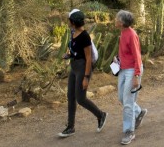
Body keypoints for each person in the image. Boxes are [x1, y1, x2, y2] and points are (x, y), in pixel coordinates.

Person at [58, 9, 108, 138]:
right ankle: (70, 127)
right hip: (74, 66)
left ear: (73, 22)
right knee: (71, 96)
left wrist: (86, 77)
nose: (68, 21)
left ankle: (101, 114)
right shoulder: (73, 32)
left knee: (80, 98)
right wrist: (69, 55)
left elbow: (88, 58)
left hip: (82, 67)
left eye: (69, 20)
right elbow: (75, 49)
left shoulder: (85, 36)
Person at [114, 10, 147, 145]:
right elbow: (125, 52)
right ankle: (139, 112)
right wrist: (117, 59)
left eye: (116, 18)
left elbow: (137, 56)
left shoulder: (131, 34)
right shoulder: (123, 33)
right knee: (122, 98)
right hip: (123, 69)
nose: (114, 20)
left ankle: (129, 131)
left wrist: (136, 76)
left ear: (121, 22)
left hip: (132, 70)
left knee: (127, 102)